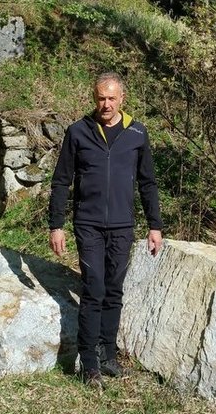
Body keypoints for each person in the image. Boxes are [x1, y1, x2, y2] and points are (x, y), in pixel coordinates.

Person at [47, 71, 164, 389]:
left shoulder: (137, 133)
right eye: (101, 98)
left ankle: (108, 354)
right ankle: (89, 363)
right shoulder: (78, 132)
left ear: (122, 99)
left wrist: (155, 225)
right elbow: (61, 181)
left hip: (123, 225)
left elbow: (147, 182)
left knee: (114, 290)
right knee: (94, 289)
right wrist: (56, 224)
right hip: (88, 224)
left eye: (112, 98)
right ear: (94, 97)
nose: (106, 104)